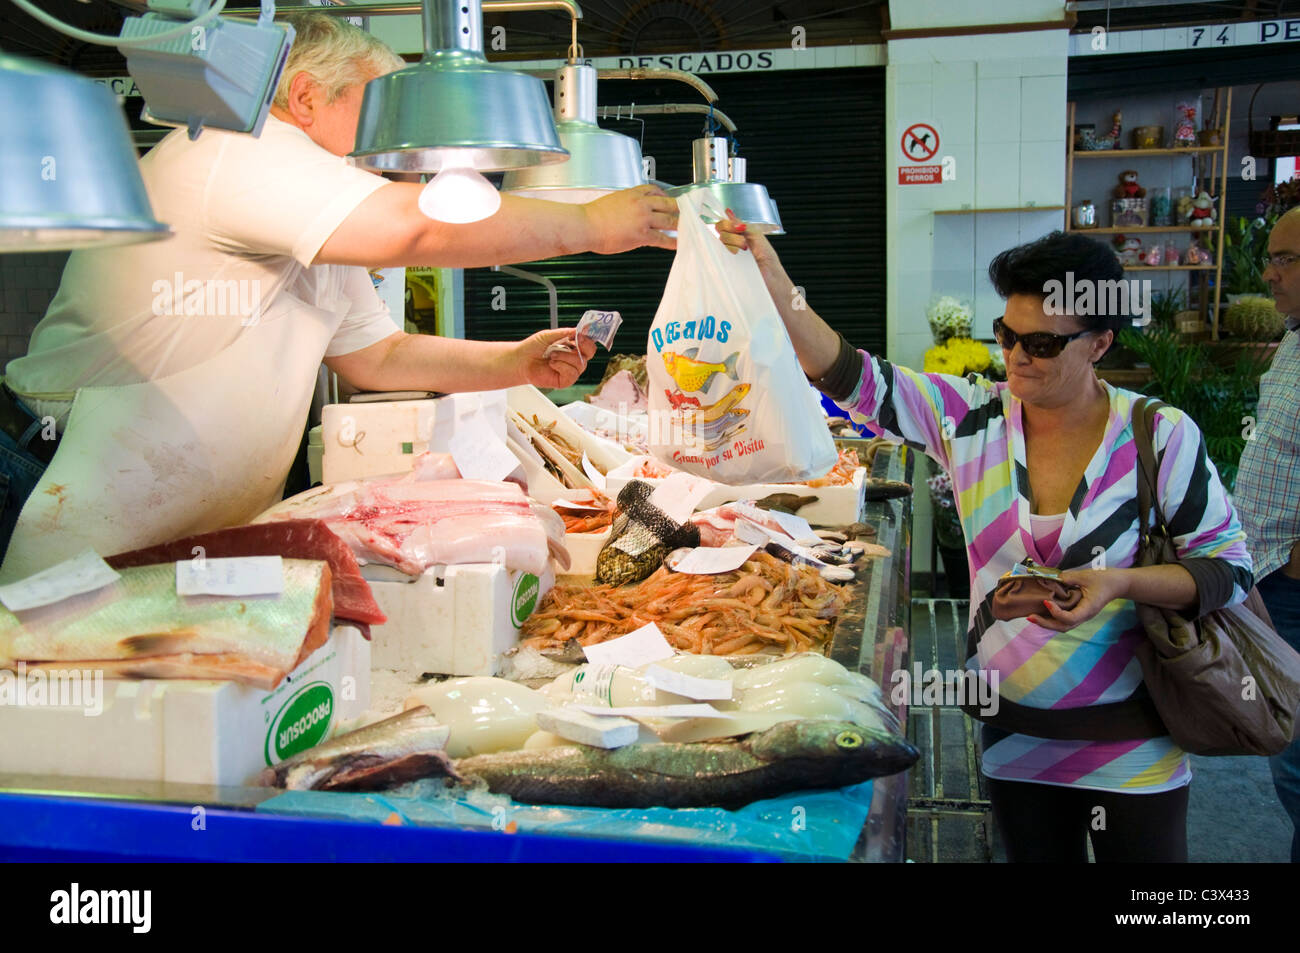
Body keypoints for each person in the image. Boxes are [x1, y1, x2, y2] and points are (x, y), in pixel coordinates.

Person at [0, 13, 678, 573]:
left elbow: (377, 355)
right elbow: (413, 231)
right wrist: (590, 222)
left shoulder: (315, 213)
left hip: (147, 516)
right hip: (43, 474)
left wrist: (514, 361)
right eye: (380, 107)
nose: (394, 140)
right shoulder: (238, 148)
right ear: (305, 98)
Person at [716, 216, 1254, 862]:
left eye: (1044, 344)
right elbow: (847, 372)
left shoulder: (1158, 435)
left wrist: (1119, 582)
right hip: (1013, 730)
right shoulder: (972, 420)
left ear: (1100, 343)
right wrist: (772, 274)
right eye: (1006, 335)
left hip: (1131, 737)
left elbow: (1228, 567)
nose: (1019, 356)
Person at [1232, 205, 1300, 863]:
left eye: (1285, 260)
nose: (1269, 274)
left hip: (1292, 587)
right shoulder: (1293, 340)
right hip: (1270, 581)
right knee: (1283, 750)